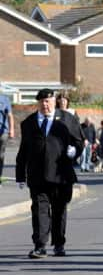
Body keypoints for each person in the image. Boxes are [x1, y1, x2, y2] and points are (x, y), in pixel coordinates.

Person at [15, 88, 84, 258]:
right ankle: (40, 245)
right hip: (37, 174)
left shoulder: (67, 119)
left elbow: (79, 141)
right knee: (39, 209)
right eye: (42, 102)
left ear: (55, 101)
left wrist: (74, 151)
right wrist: (20, 176)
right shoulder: (29, 123)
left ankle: (59, 244)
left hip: (61, 174)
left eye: (49, 101)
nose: (45, 105)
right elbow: (23, 150)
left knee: (59, 210)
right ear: (38, 103)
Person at [0, 89, 15, 186]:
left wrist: (12, 129)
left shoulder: (5, 99)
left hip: (2, 132)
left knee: (0, 156)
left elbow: (10, 115)